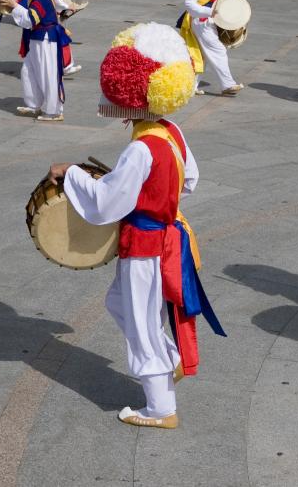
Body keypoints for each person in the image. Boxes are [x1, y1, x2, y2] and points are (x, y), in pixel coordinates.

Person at [49, 22, 223, 428]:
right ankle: (172, 359)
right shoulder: (170, 132)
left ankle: (161, 407)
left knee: (142, 323)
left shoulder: (141, 149)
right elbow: (190, 180)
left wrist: (73, 173)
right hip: (164, 236)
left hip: (143, 244)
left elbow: (108, 203)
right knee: (120, 304)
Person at [4, 0, 70, 122]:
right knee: (28, 71)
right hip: (38, 38)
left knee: (47, 73)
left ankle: (53, 110)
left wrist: (14, 7)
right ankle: (35, 104)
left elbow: (31, 19)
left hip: (45, 39)